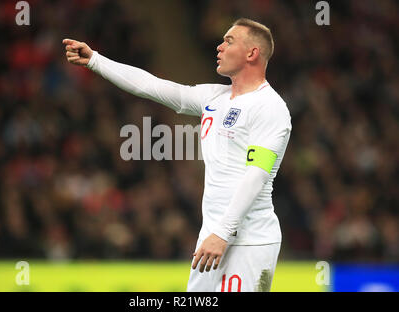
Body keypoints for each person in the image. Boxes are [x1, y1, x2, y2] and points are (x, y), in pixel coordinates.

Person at [63, 17, 292, 292]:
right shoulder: (215, 99)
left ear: (252, 53)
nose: (219, 47)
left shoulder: (270, 108)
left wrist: (223, 233)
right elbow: (151, 86)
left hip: (249, 241)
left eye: (228, 41)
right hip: (213, 238)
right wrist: (96, 60)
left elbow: (256, 176)